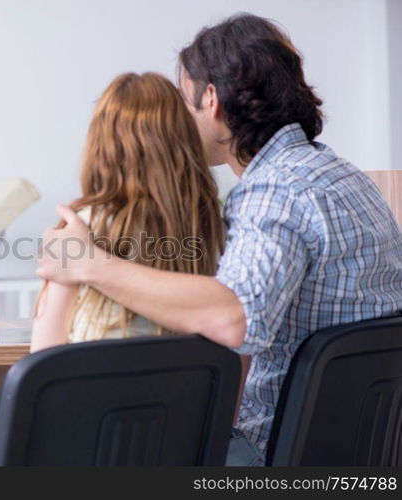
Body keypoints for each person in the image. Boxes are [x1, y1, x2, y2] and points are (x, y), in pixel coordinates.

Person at [36, 14, 402, 465]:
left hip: (271, 449)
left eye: (184, 104)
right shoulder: (341, 176)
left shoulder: (276, 190)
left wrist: (88, 264)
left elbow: (237, 320)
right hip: (357, 450)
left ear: (211, 100)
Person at [30, 72, 224, 353]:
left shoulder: (82, 227)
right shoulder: (211, 228)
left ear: (102, 147)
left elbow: (43, 353)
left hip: (92, 392)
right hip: (179, 396)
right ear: (184, 140)